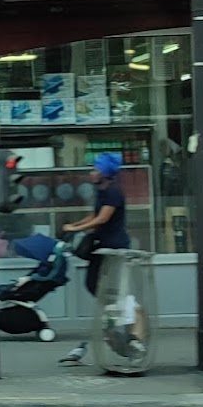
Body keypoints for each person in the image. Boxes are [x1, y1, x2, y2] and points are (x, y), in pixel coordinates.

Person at [59, 153, 137, 364]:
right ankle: (112, 314)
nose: (91, 172)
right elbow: (94, 216)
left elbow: (102, 219)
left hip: (114, 248)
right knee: (92, 283)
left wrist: (79, 228)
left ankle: (120, 316)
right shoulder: (102, 192)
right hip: (101, 246)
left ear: (105, 173)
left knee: (103, 285)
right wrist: (74, 227)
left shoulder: (113, 192)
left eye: (95, 169)